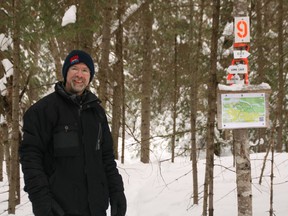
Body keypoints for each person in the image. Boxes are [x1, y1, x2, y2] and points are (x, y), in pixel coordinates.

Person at [19, 50, 127, 216]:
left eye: (85, 70)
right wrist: (42, 202)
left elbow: (106, 158)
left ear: (90, 76)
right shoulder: (42, 111)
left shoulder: (97, 112)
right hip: (59, 209)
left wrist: (117, 191)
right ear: (65, 73)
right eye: (74, 69)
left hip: (96, 209)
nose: (79, 75)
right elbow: (30, 160)